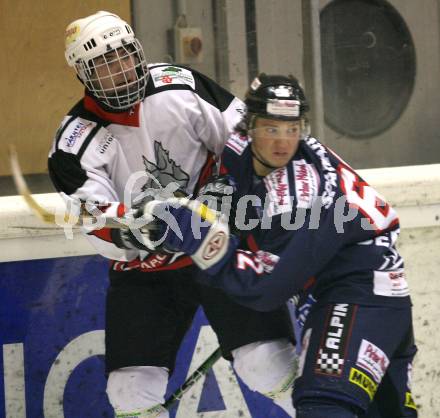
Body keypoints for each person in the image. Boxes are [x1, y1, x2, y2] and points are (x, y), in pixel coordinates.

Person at [48, 11, 298, 418]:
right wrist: (146, 223)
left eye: (125, 55)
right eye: (104, 64)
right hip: (149, 274)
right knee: (129, 390)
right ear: (82, 74)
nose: (121, 70)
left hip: (221, 250)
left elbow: (247, 140)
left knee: (266, 362)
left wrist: (233, 189)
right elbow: (99, 223)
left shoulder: (181, 86)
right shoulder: (72, 144)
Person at [144, 74, 418, 417]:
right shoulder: (239, 148)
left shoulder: (297, 194)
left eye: (291, 129)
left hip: (358, 297)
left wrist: (202, 238)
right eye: (271, 128)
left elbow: (265, 288)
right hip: (375, 301)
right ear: (249, 126)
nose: (282, 142)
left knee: (324, 403)